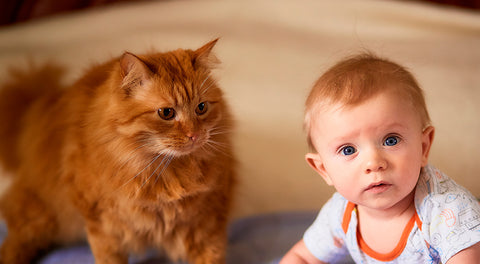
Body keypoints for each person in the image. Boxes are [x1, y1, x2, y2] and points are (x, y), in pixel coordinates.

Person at [280, 53, 480, 263]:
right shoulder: (342, 212)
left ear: (423, 147)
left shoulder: (448, 212)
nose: (374, 163)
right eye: (348, 150)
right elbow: (302, 256)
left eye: (391, 140)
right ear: (323, 170)